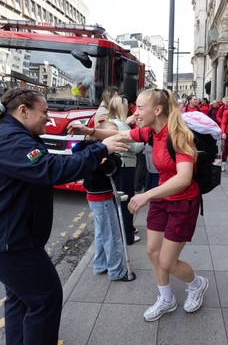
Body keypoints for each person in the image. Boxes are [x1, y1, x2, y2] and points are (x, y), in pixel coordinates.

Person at [0, 87, 129, 345]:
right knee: (45, 298)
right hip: (9, 243)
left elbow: (52, 162)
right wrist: (101, 148)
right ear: (23, 111)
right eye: (44, 112)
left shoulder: (19, 135)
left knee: (22, 298)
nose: (48, 117)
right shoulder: (11, 140)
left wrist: (93, 149)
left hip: (10, 239)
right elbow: (50, 170)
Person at [68, 88, 209, 322]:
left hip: (182, 202)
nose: (136, 111)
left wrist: (146, 195)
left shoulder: (179, 135)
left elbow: (184, 178)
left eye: (140, 107)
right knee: (153, 252)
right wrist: (89, 130)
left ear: (158, 109)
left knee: (168, 261)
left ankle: (196, 284)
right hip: (162, 198)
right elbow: (123, 136)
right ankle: (166, 299)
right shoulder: (151, 132)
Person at [72, 121, 135, 282]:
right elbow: (108, 172)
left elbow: (114, 170)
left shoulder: (102, 154)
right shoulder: (96, 153)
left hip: (97, 196)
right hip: (101, 197)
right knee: (112, 235)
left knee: (102, 232)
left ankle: (100, 265)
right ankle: (116, 271)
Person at [107, 95, 144, 245]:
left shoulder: (114, 122)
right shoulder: (121, 125)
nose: (129, 108)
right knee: (126, 201)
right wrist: (144, 136)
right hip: (125, 166)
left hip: (120, 166)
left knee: (122, 199)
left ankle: (128, 228)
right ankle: (126, 235)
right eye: (127, 105)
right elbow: (134, 148)